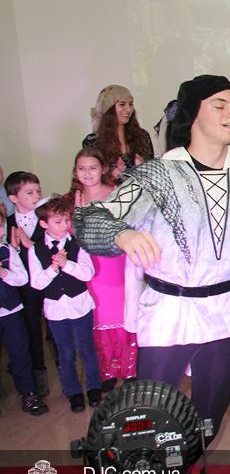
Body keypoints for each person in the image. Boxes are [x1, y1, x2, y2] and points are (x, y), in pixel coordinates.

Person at [74, 74, 230, 443]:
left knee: (208, 419)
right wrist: (122, 234)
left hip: (225, 312)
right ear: (193, 113)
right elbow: (89, 218)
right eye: (220, 106)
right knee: (152, 417)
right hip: (169, 312)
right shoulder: (158, 174)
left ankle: (188, 469)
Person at [69, 147, 137, 392]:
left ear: (103, 169)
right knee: (99, 315)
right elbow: (68, 233)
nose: (87, 173)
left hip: (116, 261)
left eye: (93, 168)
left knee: (123, 312)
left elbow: (129, 224)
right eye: (82, 169)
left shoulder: (115, 193)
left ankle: (129, 368)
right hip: (90, 265)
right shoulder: (73, 198)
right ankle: (106, 370)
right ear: (75, 171)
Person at [28, 196, 101, 413]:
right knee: (65, 353)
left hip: (80, 306)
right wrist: (53, 269)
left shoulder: (78, 245)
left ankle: (94, 388)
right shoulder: (35, 250)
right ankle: (73, 392)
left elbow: (88, 273)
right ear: (44, 223)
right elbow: (36, 283)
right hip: (56, 311)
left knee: (87, 348)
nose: (65, 225)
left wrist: (66, 264)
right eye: (58, 221)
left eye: (67, 220)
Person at [0, 206, 49, 416]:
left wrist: (4, 273)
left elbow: (22, 278)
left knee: (20, 352)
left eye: (0, 226)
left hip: (11, 312)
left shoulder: (7, 251)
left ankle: (29, 393)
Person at [82, 85, 154, 182]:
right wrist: (111, 173)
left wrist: (144, 168)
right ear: (109, 109)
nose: (128, 109)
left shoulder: (143, 136)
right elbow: (90, 178)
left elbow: (154, 174)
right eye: (122, 104)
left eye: (131, 104)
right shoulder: (93, 141)